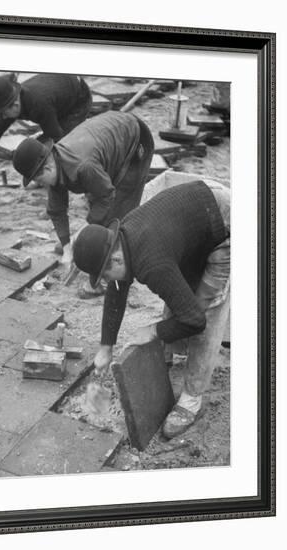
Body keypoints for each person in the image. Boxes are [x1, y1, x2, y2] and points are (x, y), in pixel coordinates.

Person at [72, 179, 230, 438]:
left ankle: (191, 399)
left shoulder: (151, 262)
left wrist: (154, 330)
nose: (107, 282)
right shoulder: (122, 241)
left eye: (105, 274)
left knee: (205, 311)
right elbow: (117, 288)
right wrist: (105, 347)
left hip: (222, 222)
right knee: (179, 296)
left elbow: (195, 320)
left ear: (116, 257)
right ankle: (167, 355)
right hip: (194, 215)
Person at [12, 110, 154, 292]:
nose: (40, 185)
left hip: (135, 139)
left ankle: (105, 279)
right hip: (107, 144)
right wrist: (67, 247)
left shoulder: (83, 166)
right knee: (96, 200)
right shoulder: (54, 162)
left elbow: (106, 197)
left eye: (39, 180)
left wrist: (84, 232)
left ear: (47, 167)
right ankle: (89, 251)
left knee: (118, 212)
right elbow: (56, 210)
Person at [0, 73, 92, 182]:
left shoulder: (38, 104)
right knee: (42, 146)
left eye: (3, 113)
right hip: (58, 97)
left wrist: (53, 176)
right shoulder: (12, 101)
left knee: (63, 144)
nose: (2, 117)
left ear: (15, 105)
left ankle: (69, 178)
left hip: (78, 99)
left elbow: (56, 139)